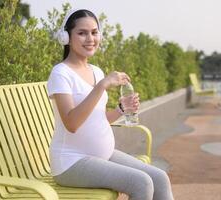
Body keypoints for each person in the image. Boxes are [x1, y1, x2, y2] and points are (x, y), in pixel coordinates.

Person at [47, 8, 174, 200]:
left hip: (101, 156)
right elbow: (71, 123)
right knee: (142, 182)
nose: (90, 39)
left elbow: (98, 118)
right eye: (82, 33)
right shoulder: (61, 73)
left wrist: (121, 110)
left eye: (94, 32)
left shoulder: (96, 71)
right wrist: (102, 85)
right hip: (71, 163)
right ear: (66, 37)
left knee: (160, 178)